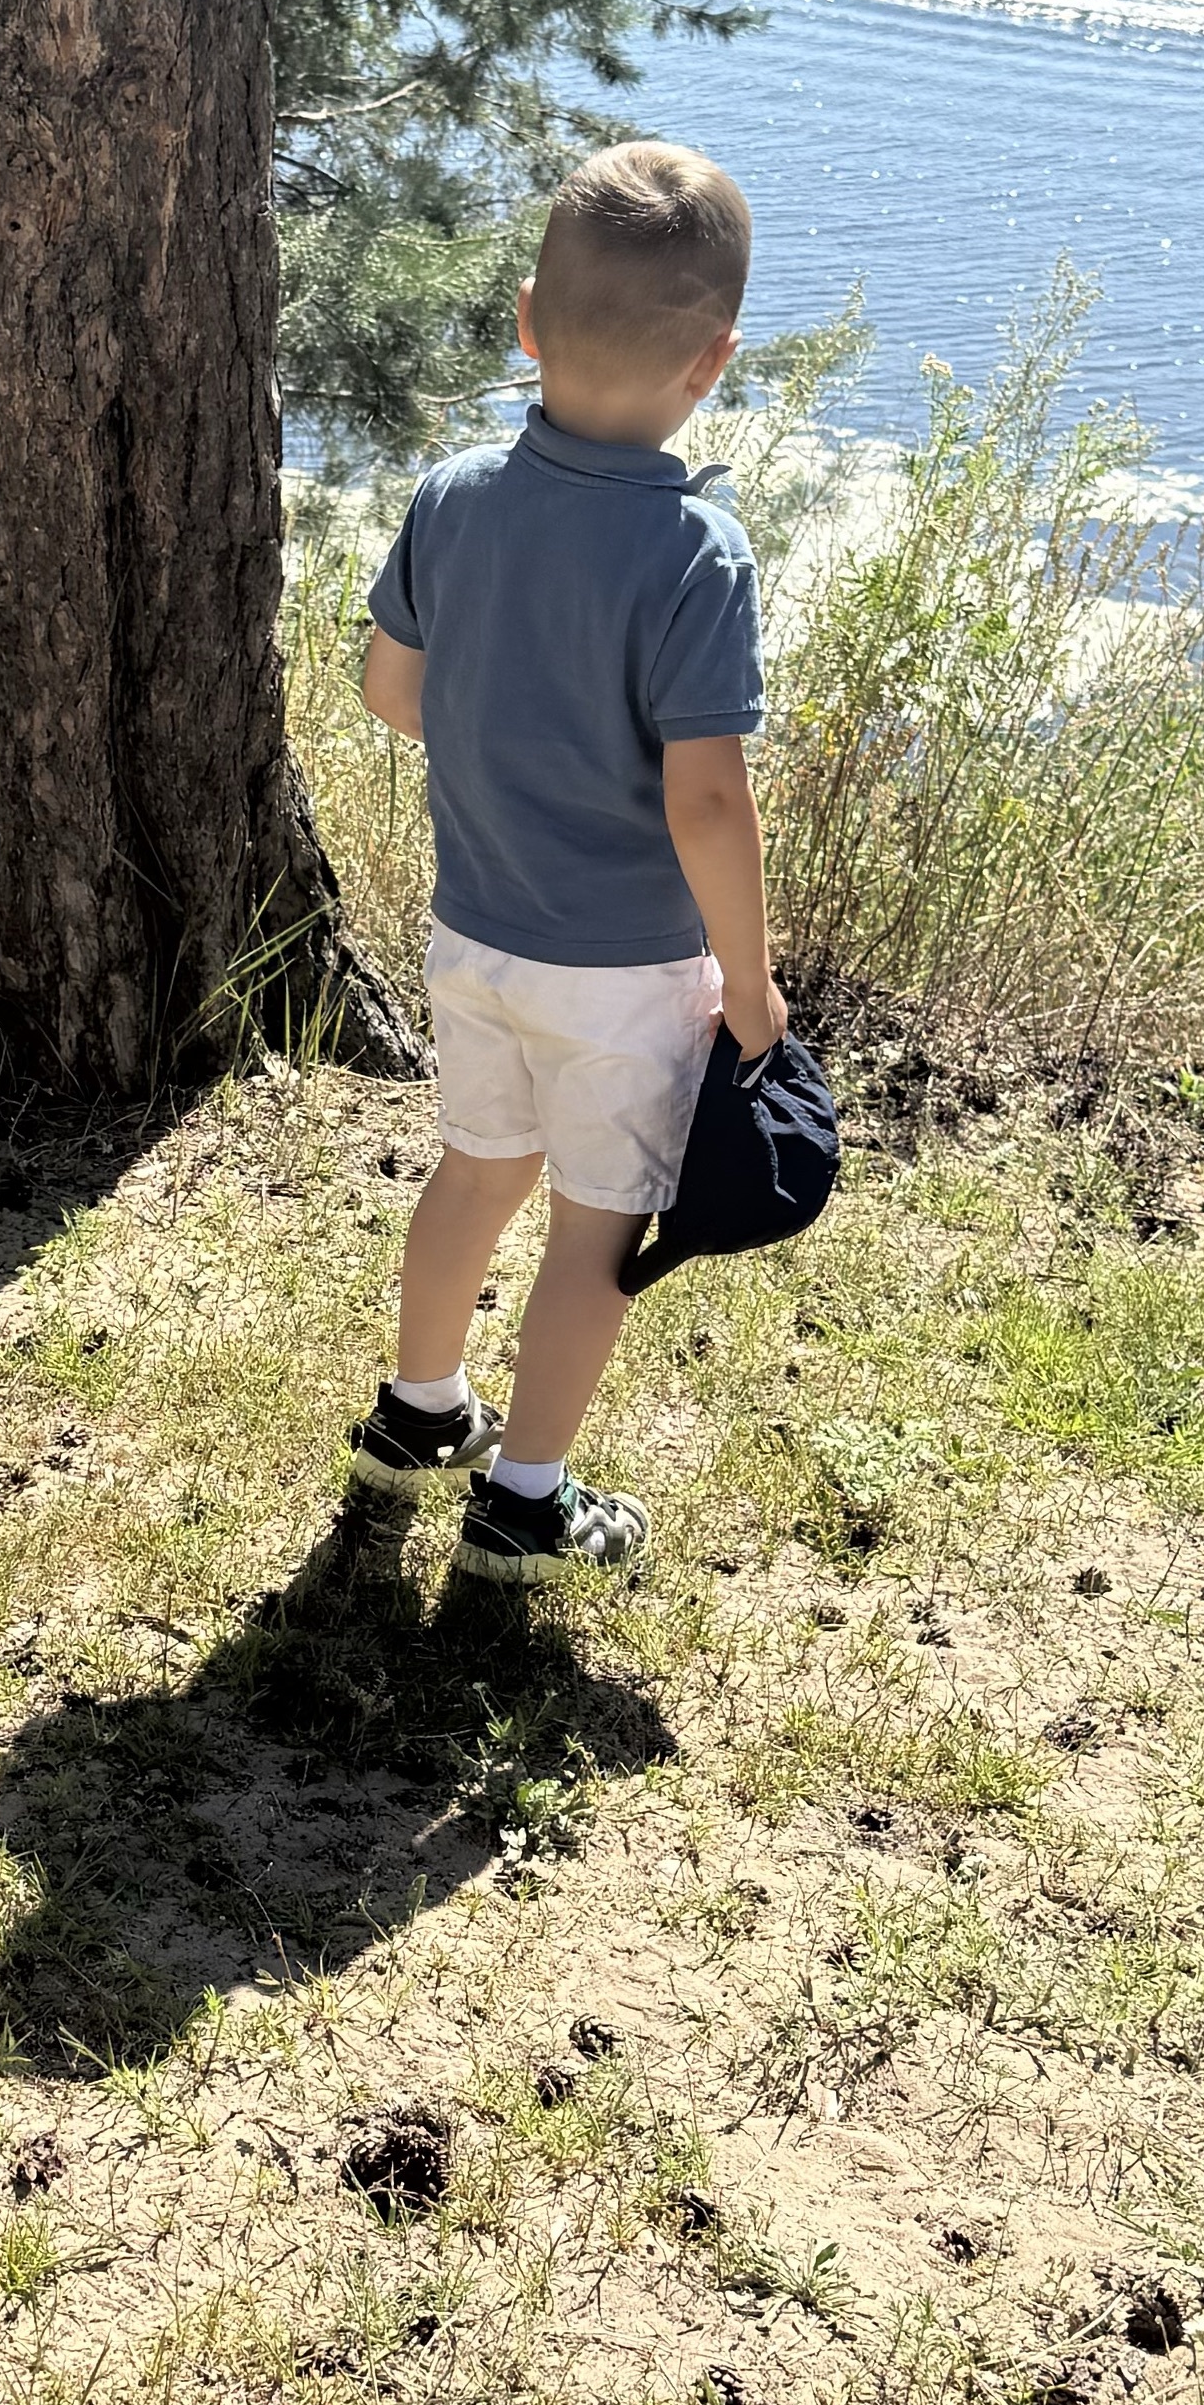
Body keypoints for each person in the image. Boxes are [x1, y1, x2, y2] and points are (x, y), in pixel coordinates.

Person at [350, 138, 780, 1576]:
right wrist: (752, 994)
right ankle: (527, 1501)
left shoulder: (454, 495)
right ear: (712, 363)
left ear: (529, 319)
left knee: (475, 1173)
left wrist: (512, 744)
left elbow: (391, 691)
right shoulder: (697, 553)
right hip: (626, 975)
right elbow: (707, 804)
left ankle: (420, 1412)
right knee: (595, 1234)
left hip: (474, 934)